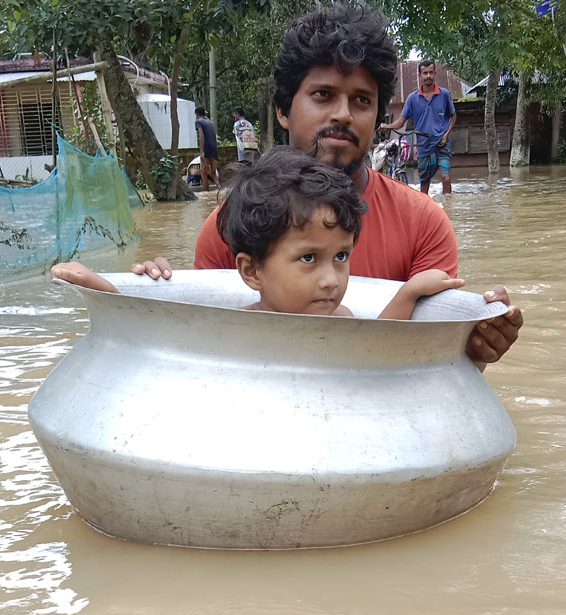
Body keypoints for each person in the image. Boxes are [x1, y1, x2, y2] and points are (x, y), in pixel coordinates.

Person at [93, 3, 522, 367]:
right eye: (323, 95)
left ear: (378, 117)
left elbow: (428, 368)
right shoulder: (229, 227)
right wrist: (143, 293)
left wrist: (474, 347)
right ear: (283, 110)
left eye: (361, 100)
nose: (343, 114)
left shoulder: (423, 223)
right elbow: (205, 353)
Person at [52, 148, 463, 320]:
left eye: (341, 256)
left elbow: (380, 356)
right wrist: (109, 292)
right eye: (308, 258)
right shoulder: (242, 325)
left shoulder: (340, 318)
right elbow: (161, 335)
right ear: (251, 272)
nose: (331, 279)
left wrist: (409, 294)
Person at [381, 59, 456, 195]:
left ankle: (448, 206)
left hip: (442, 144)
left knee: (446, 178)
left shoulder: (444, 94)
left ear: (435, 74)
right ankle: (425, 207)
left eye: (431, 72)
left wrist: (446, 135)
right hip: (423, 146)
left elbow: (453, 116)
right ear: (419, 76)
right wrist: (388, 126)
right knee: (424, 183)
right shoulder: (412, 98)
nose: (428, 76)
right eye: (425, 73)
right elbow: (401, 121)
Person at [195, 108, 220, 191]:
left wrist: (202, 151)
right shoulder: (210, 122)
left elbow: (201, 135)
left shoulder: (198, 122)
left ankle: (207, 192)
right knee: (213, 174)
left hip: (206, 149)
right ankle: (221, 189)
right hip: (214, 149)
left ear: (197, 114)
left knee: (204, 173)